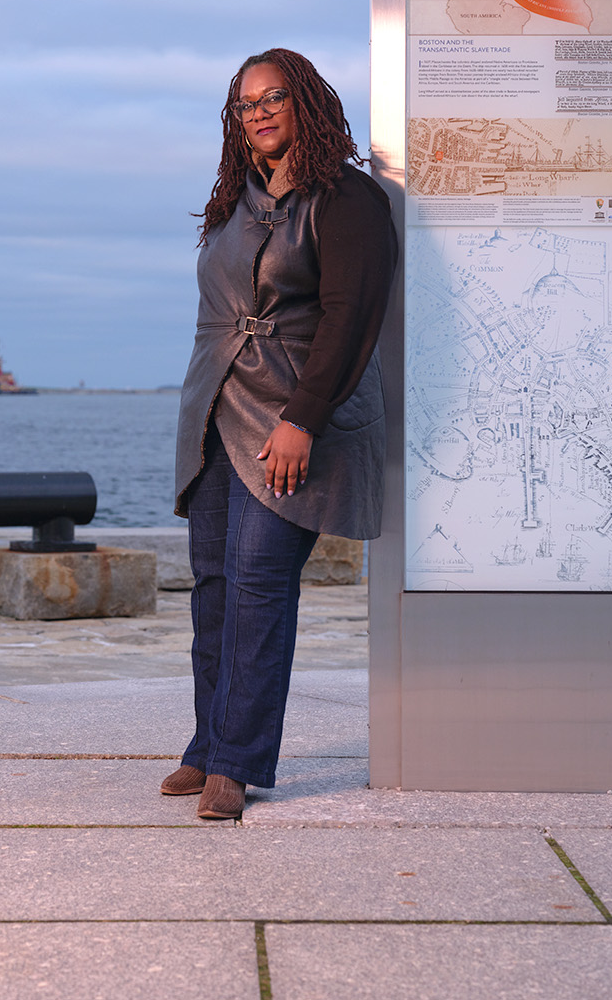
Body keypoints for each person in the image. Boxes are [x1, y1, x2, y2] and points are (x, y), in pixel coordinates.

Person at [164, 48, 398, 819]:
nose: (257, 113)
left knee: (259, 578)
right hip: (215, 411)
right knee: (214, 583)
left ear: (305, 102)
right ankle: (207, 743)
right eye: (243, 104)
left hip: (293, 413)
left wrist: (301, 417)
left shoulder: (347, 199)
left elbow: (350, 317)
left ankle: (237, 762)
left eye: (272, 98)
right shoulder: (235, 200)